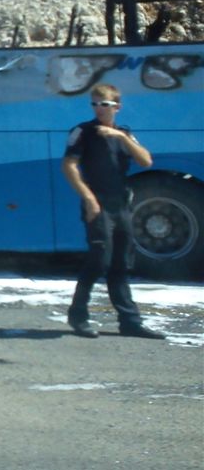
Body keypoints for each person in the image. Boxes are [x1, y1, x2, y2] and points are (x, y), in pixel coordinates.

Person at [62, 83, 165, 339]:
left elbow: (145, 161)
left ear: (117, 107)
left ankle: (130, 321)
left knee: (121, 262)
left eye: (104, 104)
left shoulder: (124, 135)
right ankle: (78, 316)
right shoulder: (83, 132)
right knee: (99, 259)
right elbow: (69, 165)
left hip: (121, 204)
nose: (99, 109)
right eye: (94, 104)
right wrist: (88, 198)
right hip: (97, 203)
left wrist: (121, 138)